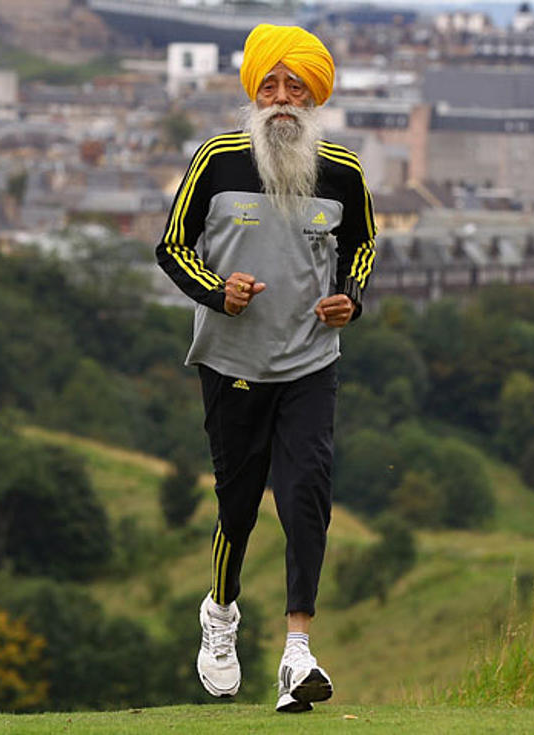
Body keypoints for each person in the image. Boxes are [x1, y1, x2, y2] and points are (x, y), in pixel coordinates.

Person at [155, 23, 376, 713]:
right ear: (254, 92)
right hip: (231, 361)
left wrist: (351, 301)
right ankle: (220, 613)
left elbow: (361, 247)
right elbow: (171, 246)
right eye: (271, 86)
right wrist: (218, 291)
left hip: (310, 359)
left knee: (306, 493)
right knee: (239, 502)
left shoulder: (343, 170)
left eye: (296, 87)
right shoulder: (217, 159)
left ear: (315, 98)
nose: (283, 99)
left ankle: (297, 651)